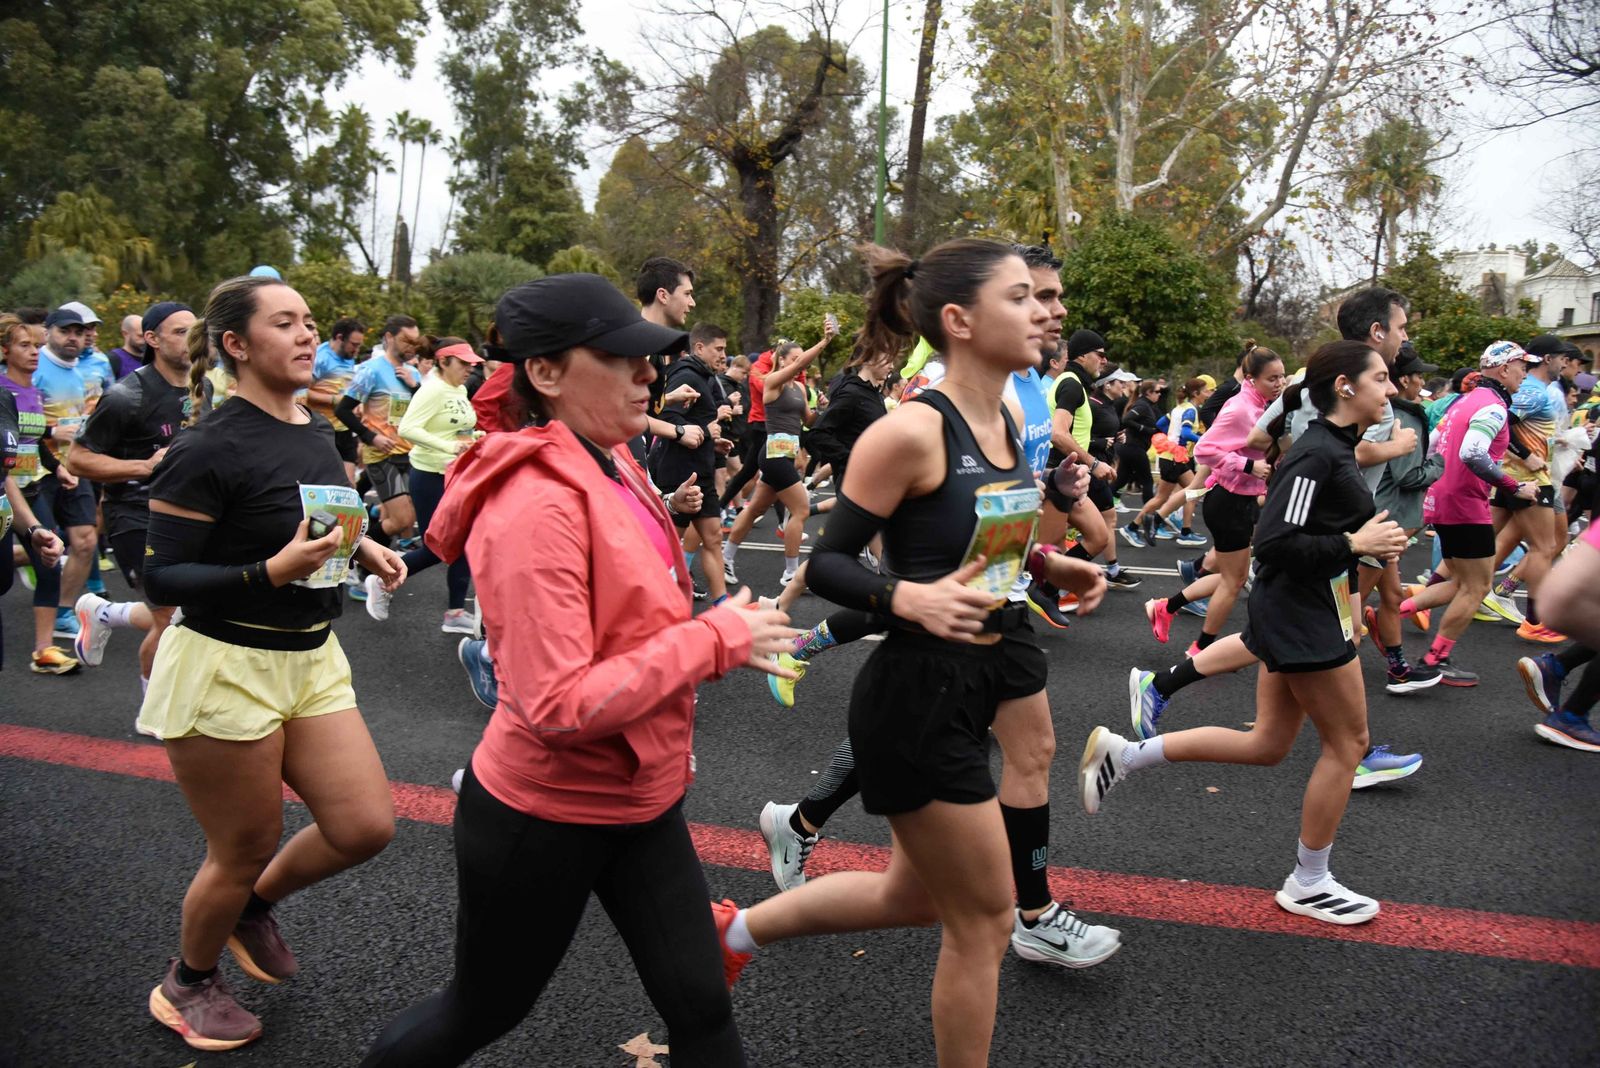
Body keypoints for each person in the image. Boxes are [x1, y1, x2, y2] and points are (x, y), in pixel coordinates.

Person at [359, 274, 795, 1067]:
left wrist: (705, 610)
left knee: (701, 1004)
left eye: (647, 358)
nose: (648, 373)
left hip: (640, 798)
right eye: (622, 358)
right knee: (481, 1011)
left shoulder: (612, 455)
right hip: (544, 813)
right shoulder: (535, 503)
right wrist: (713, 640)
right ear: (546, 373)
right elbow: (556, 702)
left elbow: (630, 611)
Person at [720, 240, 1115, 1068]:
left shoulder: (1007, 419)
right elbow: (829, 562)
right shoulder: (910, 430)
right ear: (960, 321)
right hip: (919, 694)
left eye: (1044, 297)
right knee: (984, 919)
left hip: (987, 662)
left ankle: (734, 933)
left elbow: (985, 536)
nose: (1047, 311)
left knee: (912, 896)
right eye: (1022, 297)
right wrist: (904, 596)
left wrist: (1049, 563)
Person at [137, 275, 405, 1051]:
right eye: (284, 323)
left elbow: (316, 519)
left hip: (312, 656)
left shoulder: (313, 428)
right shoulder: (205, 447)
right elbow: (161, 578)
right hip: (225, 662)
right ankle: (187, 982)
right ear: (236, 344)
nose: (306, 335)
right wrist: (269, 573)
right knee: (244, 845)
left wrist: (363, 545)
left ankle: (250, 907)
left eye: (309, 322)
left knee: (364, 825)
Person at [1083, 340, 1411, 926]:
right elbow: (1277, 543)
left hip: (1310, 609)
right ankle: (1309, 881)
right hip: (1301, 616)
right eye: (1381, 378)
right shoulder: (1317, 455)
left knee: (1268, 744)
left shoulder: (1336, 448)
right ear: (1345, 386)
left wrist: (1359, 576)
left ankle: (1125, 755)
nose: (1391, 389)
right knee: (1348, 745)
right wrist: (1354, 543)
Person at [68, 302, 196, 690]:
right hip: (134, 516)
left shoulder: (203, 388)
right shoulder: (126, 396)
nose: (192, 339)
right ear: (152, 339)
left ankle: (106, 614)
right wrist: (143, 466)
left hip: (189, 516)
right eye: (180, 332)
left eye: (196, 331)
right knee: (171, 619)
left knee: (197, 612)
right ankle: (151, 710)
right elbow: (77, 459)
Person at [1403, 342, 1540, 685]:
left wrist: (1434, 482)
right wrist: (1514, 486)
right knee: (1477, 587)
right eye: (1522, 367)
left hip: (1444, 498)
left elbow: (1432, 443)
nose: (1525, 374)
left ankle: (1394, 614)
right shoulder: (1493, 406)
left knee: (1462, 582)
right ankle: (1434, 660)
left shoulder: (1464, 401)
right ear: (1504, 369)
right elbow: (1473, 452)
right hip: (1466, 503)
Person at [1146, 344, 1286, 655]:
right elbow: (1205, 449)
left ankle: (1166, 607)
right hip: (1229, 502)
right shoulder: (1240, 408)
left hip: (1242, 500)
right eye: (1272, 378)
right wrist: (1248, 466)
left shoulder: (1264, 405)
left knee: (1231, 576)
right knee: (1233, 582)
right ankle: (1199, 649)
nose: (1278, 384)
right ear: (1251, 379)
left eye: (1282, 377)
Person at [366, 336, 484, 633]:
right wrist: (448, 447)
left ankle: (455, 613)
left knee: (464, 543)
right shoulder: (432, 389)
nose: (470, 368)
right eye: (463, 363)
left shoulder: (458, 389)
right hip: (430, 475)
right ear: (443, 361)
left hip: (454, 474)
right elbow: (408, 428)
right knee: (437, 547)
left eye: (472, 363)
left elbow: (456, 428)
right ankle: (382, 579)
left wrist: (475, 438)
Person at [722, 330, 833, 587]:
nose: (800, 364)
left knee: (755, 509)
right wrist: (825, 341)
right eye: (794, 359)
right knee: (800, 509)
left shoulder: (800, 388)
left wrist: (821, 409)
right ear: (781, 360)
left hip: (786, 454)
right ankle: (791, 573)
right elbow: (801, 363)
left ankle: (725, 557)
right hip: (774, 455)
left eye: (800, 359)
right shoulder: (772, 381)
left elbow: (808, 421)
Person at [0, 315, 80, 673]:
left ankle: (44, 650)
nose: (35, 352)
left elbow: (33, 442)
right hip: (8, 492)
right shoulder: (3, 389)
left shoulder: (32, 392)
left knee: (50, 559)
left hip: (27, 490)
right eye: (25, 345)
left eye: (37, 345)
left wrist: (57, 467)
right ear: (5, 351)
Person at [654, 322, 737, 604]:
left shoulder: (704, 376)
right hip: (679, 473)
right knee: (666, 543)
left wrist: (712, 441)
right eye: (719, 349)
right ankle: (653, 601)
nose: (723, 355)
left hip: (702, 469)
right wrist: (706, 431)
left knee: (713, 538)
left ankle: (722, 604)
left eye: (724, 350)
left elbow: (694, 424)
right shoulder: (686, 374)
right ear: (699, 347)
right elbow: (665, 417)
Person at [337, 315, 422, 547]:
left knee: (405, 518)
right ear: (389, 337)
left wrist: (415, 387)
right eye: (406, 340)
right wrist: (371, 437)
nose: (412, 347)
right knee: (402, 519)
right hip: (382, 455)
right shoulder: (370, 371)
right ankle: (354, 551)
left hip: (408, 453)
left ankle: (371, 559)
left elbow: (421, 411)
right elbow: (342, 410)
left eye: (415, 342)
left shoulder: (413, 373)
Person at [306, 317, 366, 486]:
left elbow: (346, 388)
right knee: (325, 485)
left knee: (349, 487)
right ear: (340, 338)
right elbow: (302, 392)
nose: (357, 350)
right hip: (321, 429)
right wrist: (334, 400)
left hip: (345, 428)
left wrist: (357, 404)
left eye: (359, 345)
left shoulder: (348, 356)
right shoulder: (320, 358)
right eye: (354, 344)